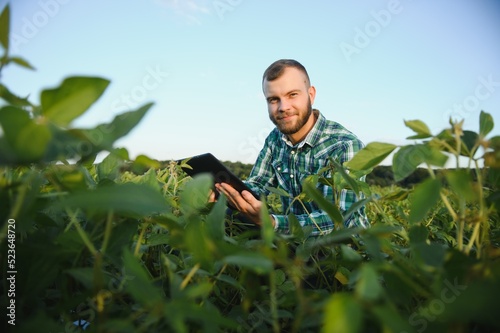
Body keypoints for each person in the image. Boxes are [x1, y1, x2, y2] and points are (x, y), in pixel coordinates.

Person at [215, 59, 369, 236]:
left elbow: (339, 220)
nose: (283, 107)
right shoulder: (275, 139)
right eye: (274, 99)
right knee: (226, 218)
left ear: (311, 95)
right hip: (294, 242)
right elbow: (258, 183)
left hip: (344, 250)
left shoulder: (345, 145)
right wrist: (225, 193)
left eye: (292, 95)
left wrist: (272, 222)